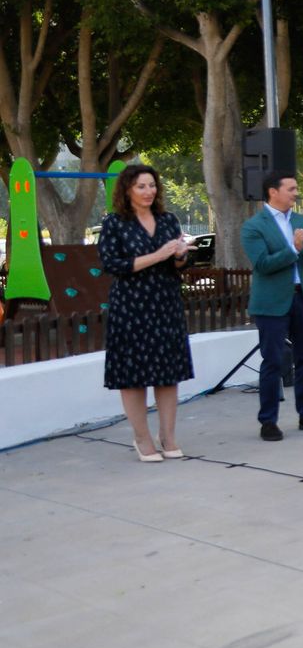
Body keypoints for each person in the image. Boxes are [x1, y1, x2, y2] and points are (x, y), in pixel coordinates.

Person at [97, 165, 196, 462]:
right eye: (141, 186)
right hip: (131, 306)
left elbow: (179, 265)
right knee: (133, 376)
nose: (148, 191)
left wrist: (179, 255)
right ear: (127, 190)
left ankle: (168, 436)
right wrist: (159, 254)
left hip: (165, 303)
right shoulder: (114, 223)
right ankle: (142, 438)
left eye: (152, 185)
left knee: (168, 374)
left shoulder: (168, 220)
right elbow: (112, 265)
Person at [241, 173, 303, 442]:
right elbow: (262, 264)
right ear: (273, 192)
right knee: (272, 361)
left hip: (301, 298)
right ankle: (268, 421)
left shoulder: (300, 220)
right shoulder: (253, 226)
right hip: (271, 303)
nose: (296, 193)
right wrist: (294, 249)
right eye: (291, 189)